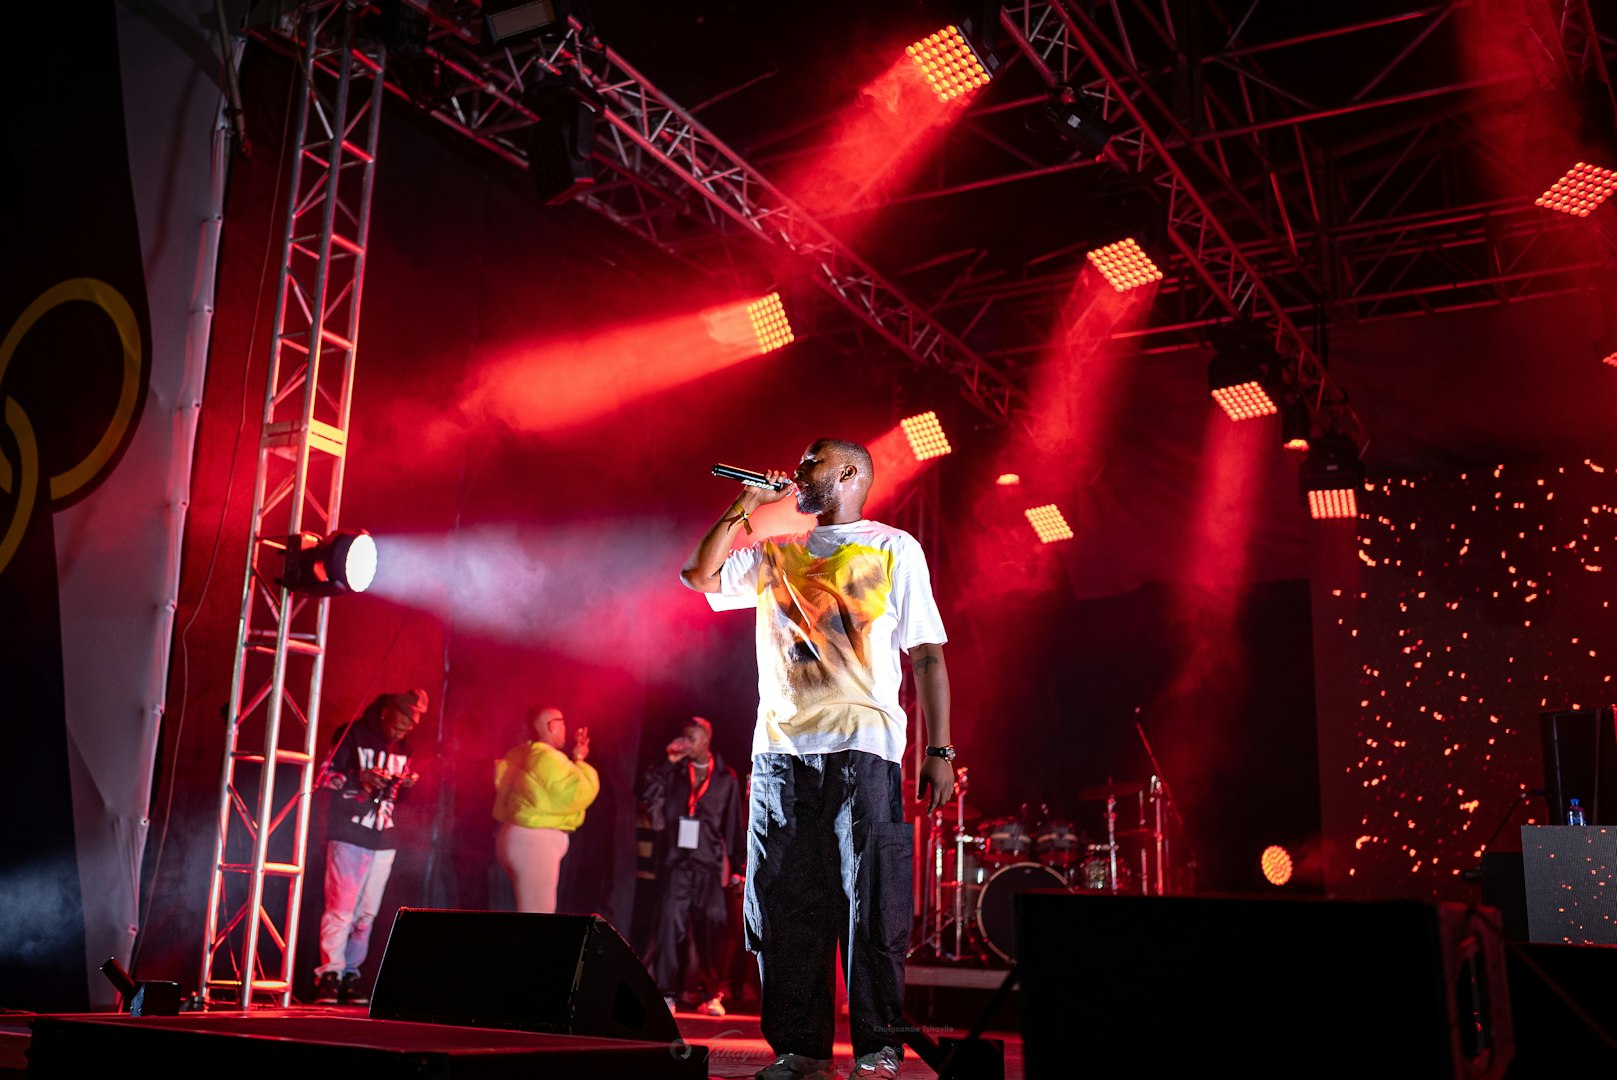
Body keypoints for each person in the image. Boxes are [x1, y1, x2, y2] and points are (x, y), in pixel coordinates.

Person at [679, 438, 955, 1080]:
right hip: (781, 754)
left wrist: (939, 748)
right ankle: (800, 1049)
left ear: (849, 472)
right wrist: (745, 504)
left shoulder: (892, 548)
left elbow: (927, 654)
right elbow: (699, 576)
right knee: (783, 902)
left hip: (864, 747)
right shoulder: (776, 552)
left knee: (872, 903)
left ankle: (879, 1048)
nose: (799, 471)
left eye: (813, 462)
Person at [313, 688, 427, 1006]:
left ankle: (350, 973)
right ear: (385, 712)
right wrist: (359, 778)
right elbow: (324, 777)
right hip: (348, 832)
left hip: (384, 837)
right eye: (400, 723)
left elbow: (398, 799)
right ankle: (329, 974)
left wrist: (405, 786)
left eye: (409, 726)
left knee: (366, 914)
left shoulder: (404, 747)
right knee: (341, 908)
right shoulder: (352, 733)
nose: (403, 732)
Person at [640, 716, 745, 1016]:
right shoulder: (672, 772)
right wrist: (667, 762)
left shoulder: (725, 777)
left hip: (707, 865)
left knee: (711, 926)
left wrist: (738, 866)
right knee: (668, 926)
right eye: (683, 736)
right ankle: (666, 993)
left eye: (693, 737)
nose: (686, 742)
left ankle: (711, 994)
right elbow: (647, 794)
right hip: (675, 863)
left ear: (707, 739)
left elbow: (733, 825)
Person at [492, 705, 599, 913]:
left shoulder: (520, 754)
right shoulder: (546, 758)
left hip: (516, 837)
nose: (566, 729)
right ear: (551, 726)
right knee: (538, 913)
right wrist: (580, 760)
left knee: (532, 911)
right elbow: (580, 791)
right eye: (563, 723)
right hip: (534, 841)